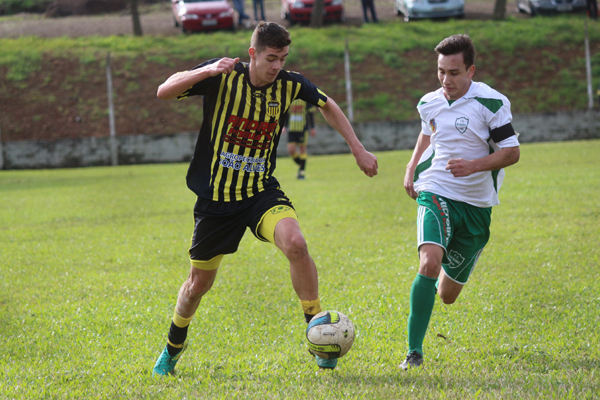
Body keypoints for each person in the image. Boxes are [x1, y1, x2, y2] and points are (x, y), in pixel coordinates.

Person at [152, 21, 378, 376]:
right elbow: (164, 91)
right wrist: (208, 70)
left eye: (283, 58)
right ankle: (172, 349)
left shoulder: (290, 84)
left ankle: (315, 330)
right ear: (252, 53)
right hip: (217, 200)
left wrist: (358, 149)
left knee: (296, 244)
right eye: (271, 58)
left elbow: (327, 104)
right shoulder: (222, 75)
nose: (277, 66)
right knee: (198, 285)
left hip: (260, 192)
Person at [401, 34, 520, 370]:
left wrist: (474, 166)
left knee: (447, 295)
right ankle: (414, 352)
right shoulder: (429, 102)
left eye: (454, 73)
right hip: (436, 189)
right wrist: (411, 167)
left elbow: (512, 152)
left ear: (471, 71)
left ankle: (440, 279)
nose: (445, 80)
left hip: (476, 206)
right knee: (429, 262)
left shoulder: (491, 103)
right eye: (441, 72)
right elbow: (428, 132)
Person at [282, 99, 316, 179]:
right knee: (291, 150)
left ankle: (301, 172)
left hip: (302, 128)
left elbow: (310, 113)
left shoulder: (306, 98)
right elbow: (287, 114)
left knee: (302, 149)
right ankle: (302, 164)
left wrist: (312, 127)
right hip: (291, 128)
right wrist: (285, 126)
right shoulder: (290, 98)